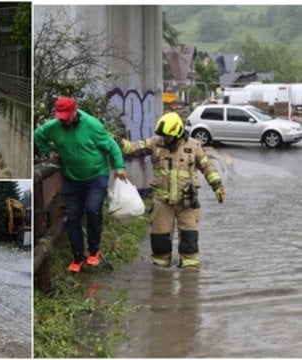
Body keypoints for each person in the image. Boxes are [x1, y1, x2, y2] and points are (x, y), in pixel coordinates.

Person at [119, 112, 225, 268]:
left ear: (177, 134)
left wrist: (217, 187)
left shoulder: (193, 146)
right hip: (162, 201)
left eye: (168, 136)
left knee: (189, 240)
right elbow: (133, 148)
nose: (165, 139)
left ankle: (189, 280)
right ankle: (160, 277)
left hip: (187, 201)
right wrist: (116, 141)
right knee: (160, 241)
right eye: (163, 136)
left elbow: (207, 167)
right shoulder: (156, 143)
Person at [35, 96, 127, 272]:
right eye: (60, 117)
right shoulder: (54, 126)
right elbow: (38, 135)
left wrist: (120, 167)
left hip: (96, 175)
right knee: (72, 217)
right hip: (72, 178)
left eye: (66, 117)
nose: (64, 121)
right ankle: (78, 257)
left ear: (75, 111)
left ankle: (94, 250)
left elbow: (112, 146)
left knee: (93, 209)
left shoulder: (92, 125)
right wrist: (48, 152)